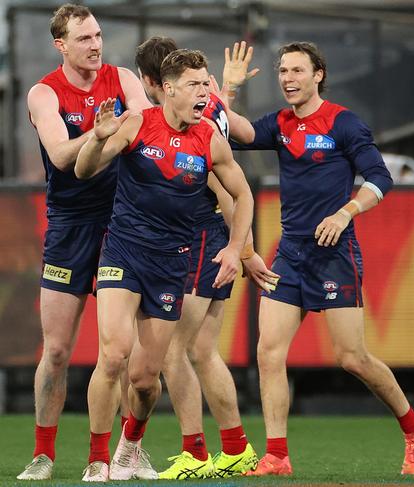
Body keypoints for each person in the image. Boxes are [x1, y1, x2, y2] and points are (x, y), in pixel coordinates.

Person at [225, 41, 414, 476]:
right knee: (268, 353)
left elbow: (380, 177)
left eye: (297, 71)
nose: (288, 79)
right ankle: (277, 456)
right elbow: (235, 133)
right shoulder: (280, 124)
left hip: (335, 254)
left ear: (318, 74)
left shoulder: (344, 123)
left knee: (352, 357)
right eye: (283, 71)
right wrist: (228, 90)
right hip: (290, 254)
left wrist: (346, 212)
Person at [75, 48, 254, 481]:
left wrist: (235, 249)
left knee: (144, 377)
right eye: (194, 84)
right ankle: (97, 460)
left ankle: (130, 448)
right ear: (168, 89)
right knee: (114, 355)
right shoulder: (137, 124)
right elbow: (83, 171)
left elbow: (243, 194)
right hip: (124, 252)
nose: (204, 91)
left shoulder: (210, 137)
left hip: (172, 263)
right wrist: (98, 138)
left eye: (207, 83)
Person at [17, 3, 150, 481]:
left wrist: (107, 138)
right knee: (55, 350)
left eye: (97, 35)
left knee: (119, 353)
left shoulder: (124, 79)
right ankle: (43, 454)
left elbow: (146, 123)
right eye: (84, 39)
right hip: (70, 225)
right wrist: (98, 135)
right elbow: (57, 155)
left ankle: (115, 455)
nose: (95, 45)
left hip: (124, 223)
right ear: (61, 45)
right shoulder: (43, 93)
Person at [134, 37, 277, 479]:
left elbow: (221, 187)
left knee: (174, 351)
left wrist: (245, 249)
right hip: (215, 236)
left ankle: (195, 456)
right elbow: (237, 128)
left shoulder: (182, 126)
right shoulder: (209, 106)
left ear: (151, 82)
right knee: (202, 350)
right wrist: (226, 90)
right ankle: (234, 448)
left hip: (200, 238)